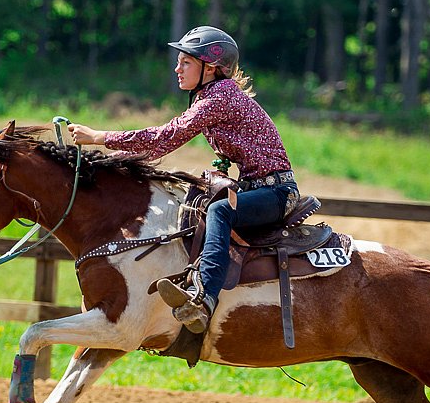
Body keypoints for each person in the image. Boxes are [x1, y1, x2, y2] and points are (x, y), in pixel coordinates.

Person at [68, 26, 299, 334]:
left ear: (211, 68)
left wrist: (100, 138)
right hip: (260, 188)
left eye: (186, 62)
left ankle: (205, 298)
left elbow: (166, 137)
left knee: (219, 211)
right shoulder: (213, 96)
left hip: (276, 194)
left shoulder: (219, 98)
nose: (177, 68)